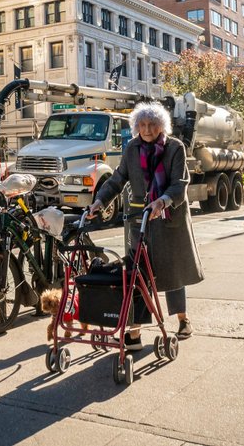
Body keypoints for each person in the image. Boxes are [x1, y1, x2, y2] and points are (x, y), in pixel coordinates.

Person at [86, 102, 204, 348]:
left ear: (161, 126)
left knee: (172, 271)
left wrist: (162, 201)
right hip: (140, 219)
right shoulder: (132, 148)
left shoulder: (175, 148)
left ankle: (183, 319)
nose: (147, 129)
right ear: (136, 126)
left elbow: (179, 183)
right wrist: (99, 201)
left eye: (152, 124)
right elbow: (118, 179)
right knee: (136, 272)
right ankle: (135, 330)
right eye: (142, 124)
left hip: (169, 216)